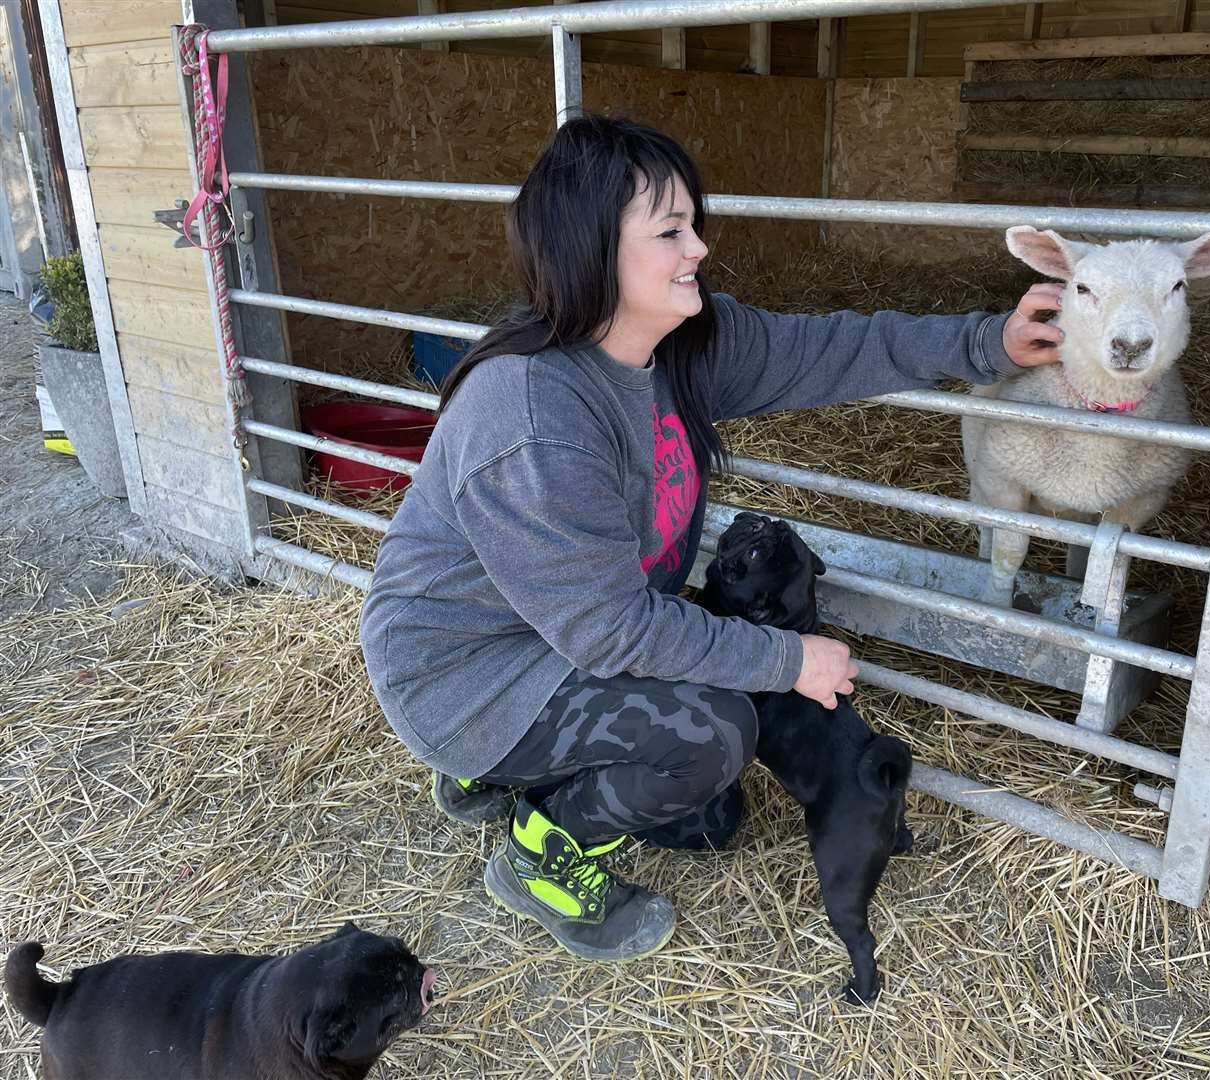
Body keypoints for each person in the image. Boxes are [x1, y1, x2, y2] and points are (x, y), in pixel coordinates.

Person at [359, 113, 1063, 964]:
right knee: (714, 736)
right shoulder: (535, 415)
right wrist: (789, 659)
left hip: (566, 629)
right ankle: (540, 852)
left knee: (712, 814)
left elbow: (829, 347)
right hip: (469, 672)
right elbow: (612, 631)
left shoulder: (677, 348)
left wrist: (987, 343)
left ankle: (511, 770)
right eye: (669, 231)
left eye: (694, 224)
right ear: (591, 249)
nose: (697, 248)